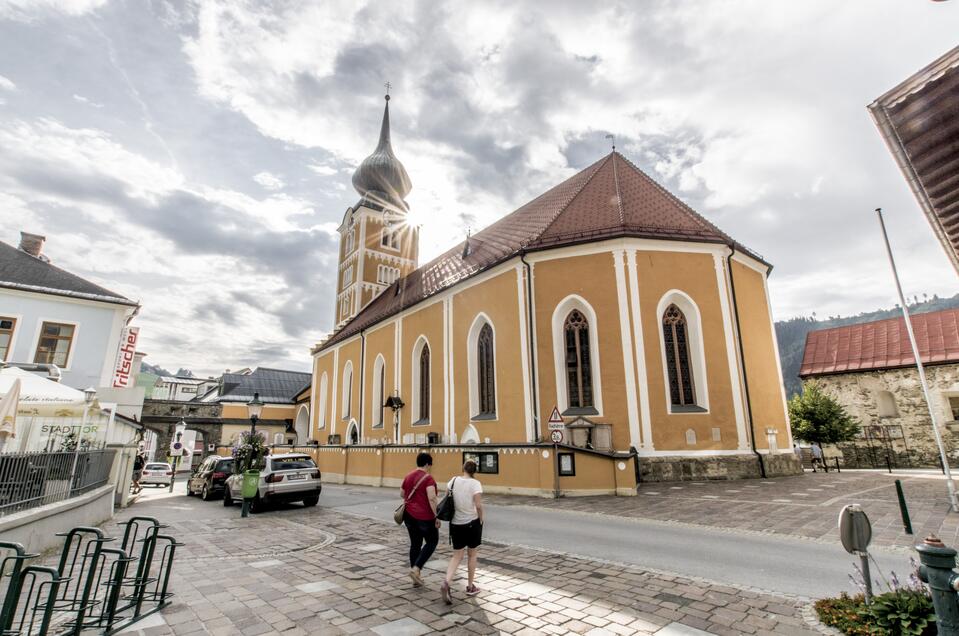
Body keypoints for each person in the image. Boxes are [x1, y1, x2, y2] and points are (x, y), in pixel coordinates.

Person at [440, 460, 484, 604]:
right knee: (472, 554)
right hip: (472, 523)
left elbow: (447, 499)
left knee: (457, 556)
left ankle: (446, 582)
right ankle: (470, 586)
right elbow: (478, 505)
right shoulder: (475, 484)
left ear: (463, 468)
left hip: (455, 524)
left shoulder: (452, 481)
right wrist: (481, 518)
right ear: (474, 471)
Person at [400, 452, 439, 587]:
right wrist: (436, 516)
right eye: (430, 465)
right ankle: (416, 568)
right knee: (432, 542)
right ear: (427, 464)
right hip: (425, 517)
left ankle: (415, 578)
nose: (430, 468)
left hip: (409, 516)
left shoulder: (408, 476)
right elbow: (432, 498)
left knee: (415, 544)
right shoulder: (428, 479)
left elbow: (402, 493)